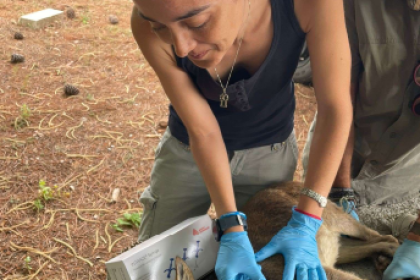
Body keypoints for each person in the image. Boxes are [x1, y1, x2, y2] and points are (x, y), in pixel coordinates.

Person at [130, 0, 352, 279]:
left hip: (269, 148)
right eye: (159, 27)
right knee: (155, 261)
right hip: (187, 148)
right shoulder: (147, 17)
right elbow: (204, 131)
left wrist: (307, 220)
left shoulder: (308, 4)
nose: (182, 48)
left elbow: (334, 107)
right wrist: (231, 228)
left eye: (197, 23)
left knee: (269, 258)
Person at [303, 0, 420, 278]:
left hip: (404, 186)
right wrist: (340, 192)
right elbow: (339, 97)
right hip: (333, 163)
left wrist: (416, 240)